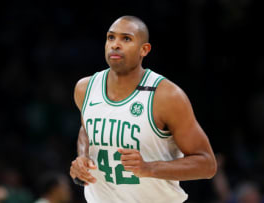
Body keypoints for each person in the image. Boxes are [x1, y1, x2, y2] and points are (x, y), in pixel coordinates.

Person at [69, 15, 217, 203]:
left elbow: (207, 164)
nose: (115, 44)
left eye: (126, 39)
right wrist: (82, 156)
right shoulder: (85, 88)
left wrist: (148, 168)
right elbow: (87, 129)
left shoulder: (167, 96)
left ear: (144, 50)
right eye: (111, 37)